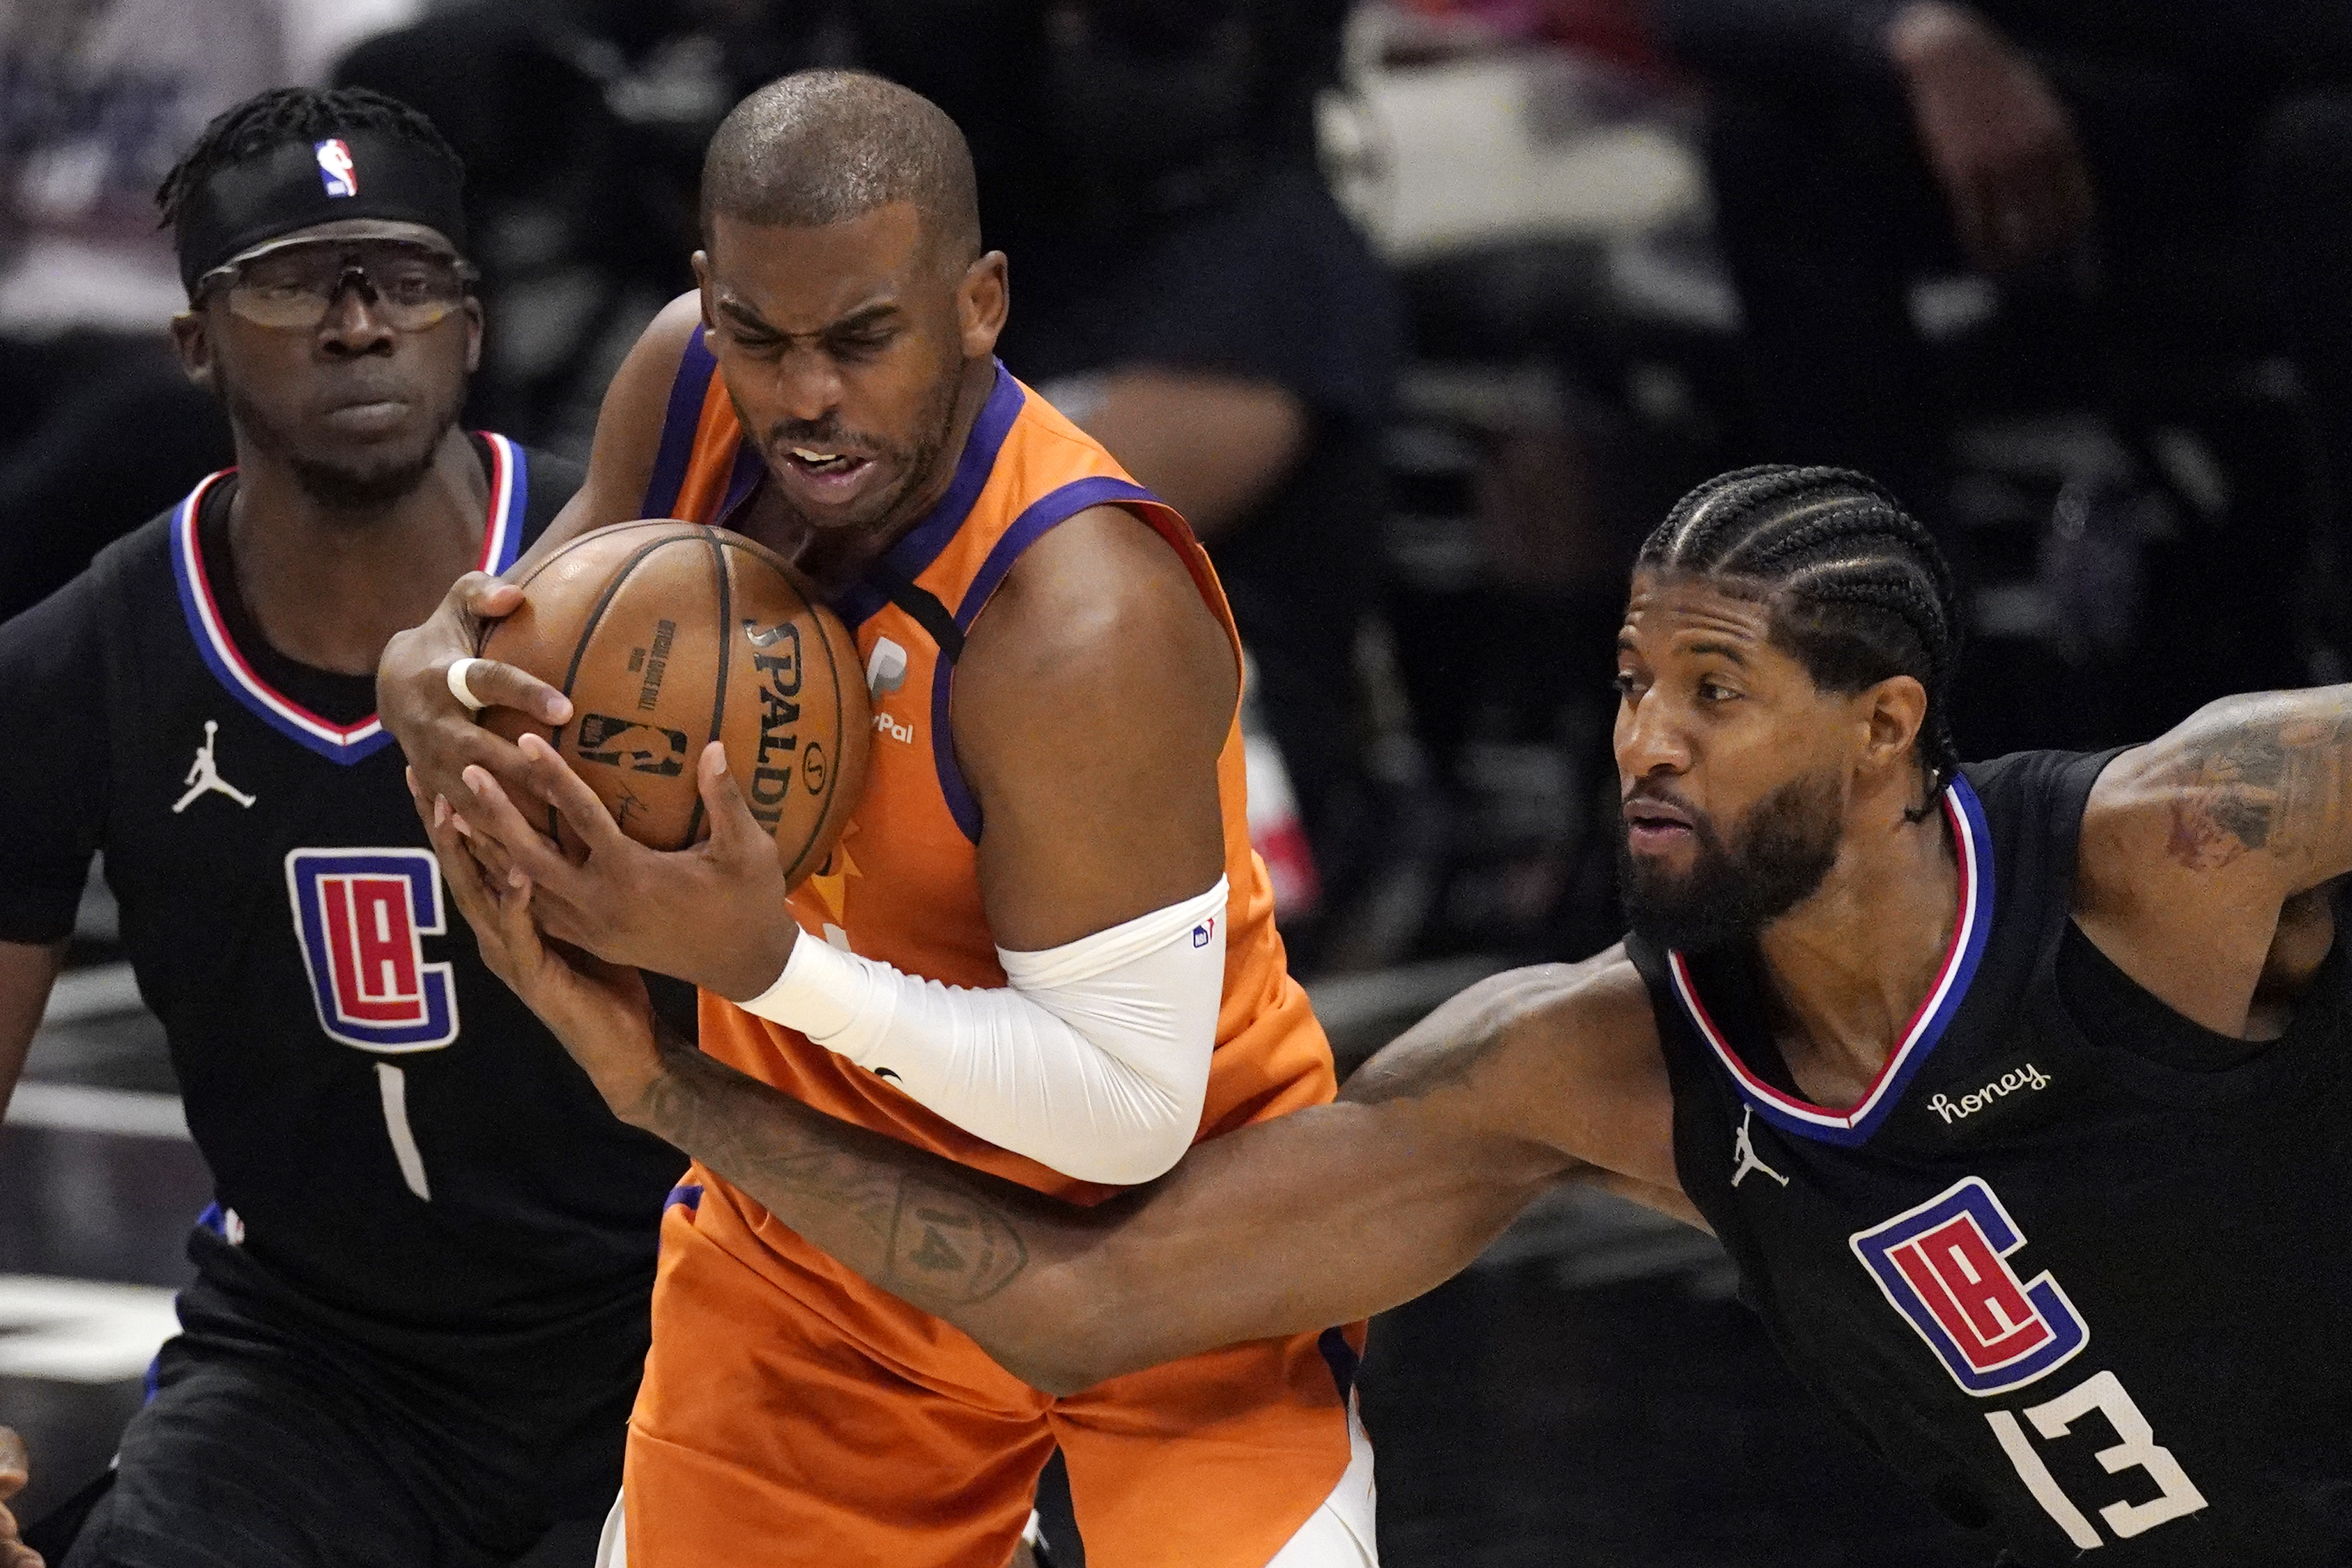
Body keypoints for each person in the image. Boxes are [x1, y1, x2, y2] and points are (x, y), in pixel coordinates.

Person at [438, 463, 2352, 1565]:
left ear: (1887, 727)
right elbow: (1075, 1302)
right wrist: (663, 1078)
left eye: (1713, 689)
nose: (1640, 744)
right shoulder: (1590, 1065)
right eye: (1625, 682)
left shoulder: (2183, 848)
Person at [380, 70, 1375, 1568]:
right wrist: (429, 676)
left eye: (861, 340)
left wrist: (765, 965)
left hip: (1168, 1265)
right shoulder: (687, 387)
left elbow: (1126, 1113)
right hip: (820, 1237)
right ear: (708, 296)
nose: (803, 399)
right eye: (760, 337)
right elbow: (517, 640)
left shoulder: (1076, 617)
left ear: (977, 303)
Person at [0, 86, 687, 1568]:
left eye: (409, 278)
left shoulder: (659, 609)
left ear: (476, 325)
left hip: (675, 1322)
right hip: (320, 1363)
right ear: (193, 337)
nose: (361, 324)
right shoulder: (79, 666)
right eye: (298, 282)